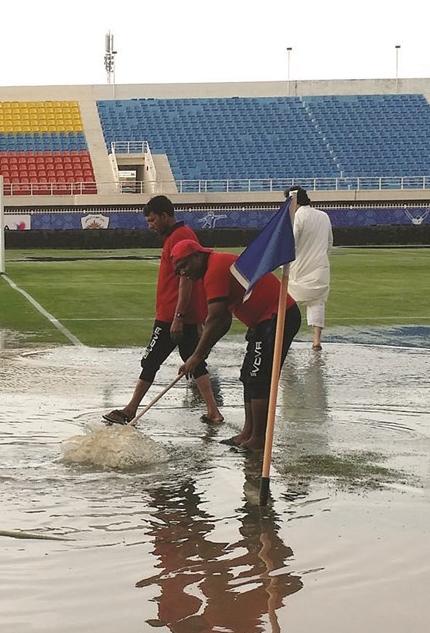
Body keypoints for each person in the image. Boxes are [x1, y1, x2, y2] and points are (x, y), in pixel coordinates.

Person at [104, 196, 223, 426]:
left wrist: (178, 317)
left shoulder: (180, 237)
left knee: (150, 361)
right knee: (195, 362)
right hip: (180, 313)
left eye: (152, 220)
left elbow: (186, 279)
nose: (150, 225)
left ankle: (130, 409)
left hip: (172, 315)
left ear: (165, 216)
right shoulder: (178, 235)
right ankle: (213, 411)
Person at [172, 242, 302, 454]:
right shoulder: (212, 267)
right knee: (248, 377)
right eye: (177, 269)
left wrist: (196, 357)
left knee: (259, 378)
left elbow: (215, 318)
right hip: (262, 321)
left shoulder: (215, 268)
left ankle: (258, 439)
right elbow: (223, 321)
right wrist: (201, 352)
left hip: (277, 316)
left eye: (184, 265)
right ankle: (247, 433)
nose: (181, 272)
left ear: (197, 256)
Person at [286, 187, 332, 350]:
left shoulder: (297, 216)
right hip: (320, 266)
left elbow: (292, 242)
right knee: (317, 302)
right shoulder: (323, 216)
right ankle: (316, 340)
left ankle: (285, 337)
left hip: (299, 267)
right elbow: (329, 243)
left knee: (287, 303)